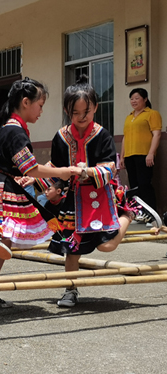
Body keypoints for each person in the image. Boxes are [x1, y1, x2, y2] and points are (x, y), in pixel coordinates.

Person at [42, 77, 161, 307]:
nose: (82, 117)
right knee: (71, 248)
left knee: (107, 245)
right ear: (68, 111)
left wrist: (84, 172)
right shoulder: (60, 137)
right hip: (72, 201)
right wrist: (55, 188)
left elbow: (109, 167)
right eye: (75, 112)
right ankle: (70, 290)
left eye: (86, 111)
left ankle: (129, 213)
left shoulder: (102, 134)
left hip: (99, 196)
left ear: (96, 107)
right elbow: (56, 169)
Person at [0, 77, 77, 307]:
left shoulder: (10, 128)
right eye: (40, 105)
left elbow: (23, 168)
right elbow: (31, 168)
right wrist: (64, 171)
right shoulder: (16, 132)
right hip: (0, 185)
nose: (41, 111)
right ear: (26, 102)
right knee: (1, 233)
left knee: (4, 238)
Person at [120, 88, 163, 225]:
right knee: (134, 186)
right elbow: (125, 138)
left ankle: (151, 215)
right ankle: (138, 213)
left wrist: (151, 153)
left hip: (144, 154)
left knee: (145, 185)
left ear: (145, 99)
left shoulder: (152, 114)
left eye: (137, 98)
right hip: (130, 155)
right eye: (132, 98)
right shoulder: (129, 117)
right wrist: (122, 157)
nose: (134, 101)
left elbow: (157, 134)